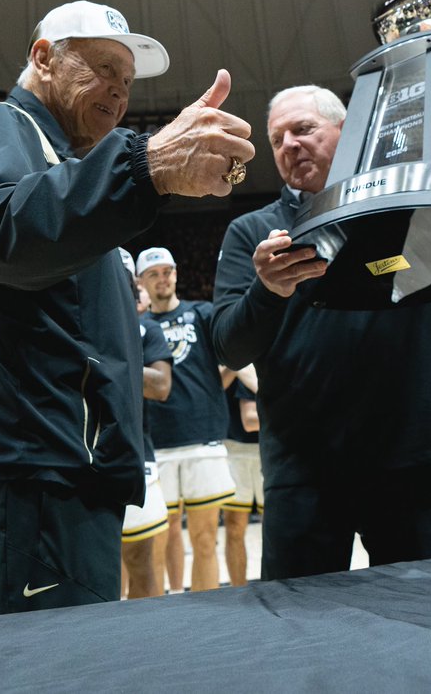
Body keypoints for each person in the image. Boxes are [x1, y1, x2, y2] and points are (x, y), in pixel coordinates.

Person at [0, 0, 256, 618]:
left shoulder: (69, 167)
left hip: (65, 466)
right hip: (28, 466)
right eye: (103, 68)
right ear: (43, 58)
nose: (119, 92)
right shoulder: (1, 125)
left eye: (127, 82)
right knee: (36, 671)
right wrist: (145, 166)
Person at [211, 84, 431, 580]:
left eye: (303, 129)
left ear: (346, 132)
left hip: (405, 454)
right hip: (303, 467)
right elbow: (230, 346)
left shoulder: (402, 200)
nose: (289, 146)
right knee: (305, 631)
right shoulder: (252, 232)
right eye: (277, 139)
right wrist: (267, 290)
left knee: (427, 619)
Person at [136, 247, 234, 593]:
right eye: (154, 274)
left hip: (202, 436)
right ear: (141, 282)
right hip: (156, 441)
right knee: (162, 537)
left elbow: (234, 356)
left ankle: (206, 613)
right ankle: (172, 605)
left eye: (167, 271)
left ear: (176, 274)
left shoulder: (202, 314)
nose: (163, 279)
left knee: (206, 537)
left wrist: (210, 393)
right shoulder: (139, 327)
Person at [118, 250, 172, 600]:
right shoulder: (72, 323)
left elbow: (160, 386)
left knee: (143, 562)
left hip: (136, 456)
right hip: (79, 457)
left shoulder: (145, 328)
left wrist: (105, 363)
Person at [222, 369, 262, 587]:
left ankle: (277, 587)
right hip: (234, 446)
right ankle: (238, 589)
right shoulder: (229, 351)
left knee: (275, 525)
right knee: (235, 526)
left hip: (269, 445)